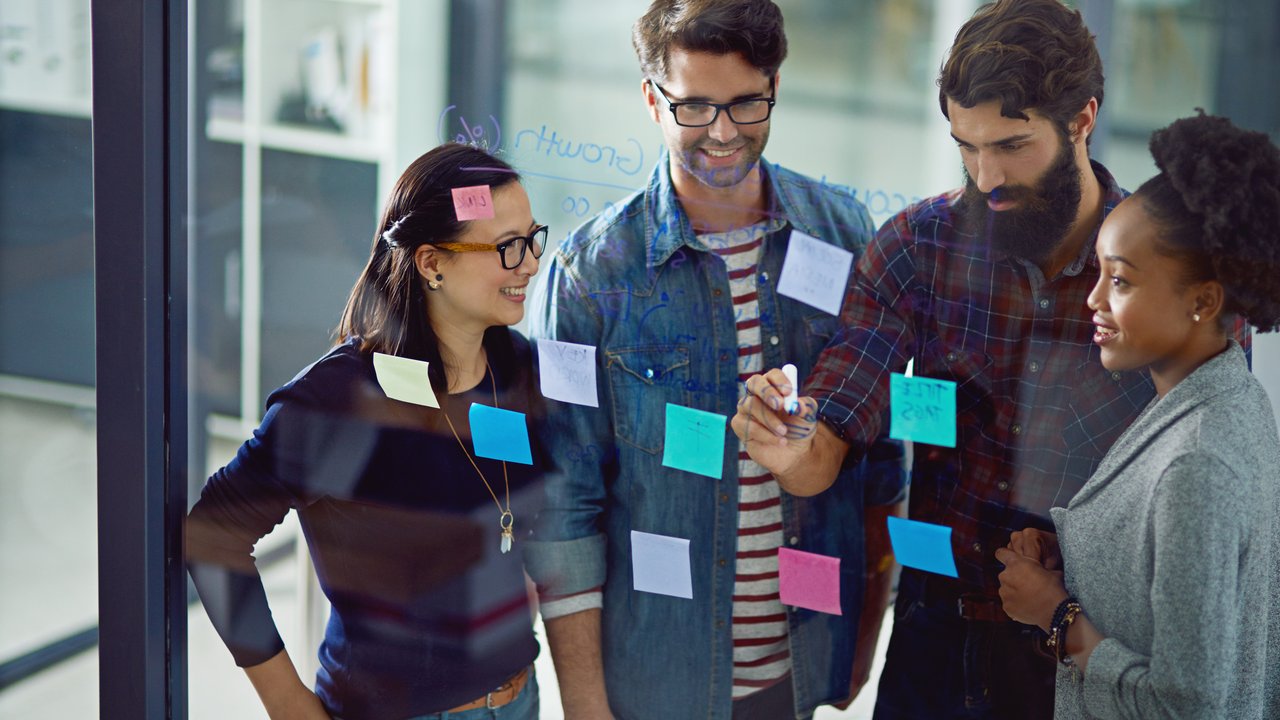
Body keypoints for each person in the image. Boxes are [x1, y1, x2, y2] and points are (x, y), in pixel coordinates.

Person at [731, 1, 1250, 718]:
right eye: (967, 147)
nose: (986, 177)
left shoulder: (1178, 277)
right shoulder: (918, 247)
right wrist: (784, 436)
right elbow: (829, 440)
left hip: (1097, 650)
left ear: (1082, 119)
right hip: (935, 641)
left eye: (1011, 145)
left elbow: (1211, 490)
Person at [524, 1, 906, 718]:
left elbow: (879, 463)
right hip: (654, 682)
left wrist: (859, 646)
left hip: (795, 675)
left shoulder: (846, 233)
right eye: (694, 107)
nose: (723, 133)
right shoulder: (589, 275)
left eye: (744, 103)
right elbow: (563, 505)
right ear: (650, 98)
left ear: (776, 87)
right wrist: (583, 702)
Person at [186, 143, 548, 720]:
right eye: (507, 247)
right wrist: (288, 705)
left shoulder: (516, 366)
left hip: (518, 699)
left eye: (532, 239)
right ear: (431, 263)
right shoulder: (339, 401)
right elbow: (212, 535)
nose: (529, 263)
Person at [994, 113, 1280, 719]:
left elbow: (1186, 705)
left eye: (1119, 280)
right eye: (1099, 271)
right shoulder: (1223, 397)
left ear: (1203, 300)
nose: (1095, 299)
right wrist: (1074, 554)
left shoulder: (1199, 458)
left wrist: (1056, 615)